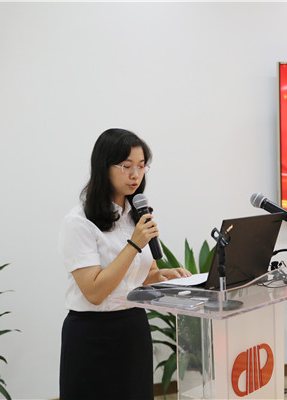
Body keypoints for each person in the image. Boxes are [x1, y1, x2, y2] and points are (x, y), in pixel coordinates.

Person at [58, 128, 190, 400]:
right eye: (126, 166)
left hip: (132, 327)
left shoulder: (136, 215)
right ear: (103, 167)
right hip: (92, 336)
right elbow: (94, 292)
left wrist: (165, 275)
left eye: (141, 166)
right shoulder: (78, 222)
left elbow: (142, 275)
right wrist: (134, 244)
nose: (135, 175)